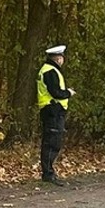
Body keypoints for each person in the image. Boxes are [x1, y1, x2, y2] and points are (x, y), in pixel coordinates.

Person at [37, 44, 75, 186]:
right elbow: (56, 92)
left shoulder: (48, 70)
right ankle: (48, 173)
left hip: (51, 110)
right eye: (62, 58)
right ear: (58, 58)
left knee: (52, 141)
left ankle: (48, 172)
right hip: (52, 110)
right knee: (52, 142)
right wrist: (68, 93)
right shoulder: (50, 71)